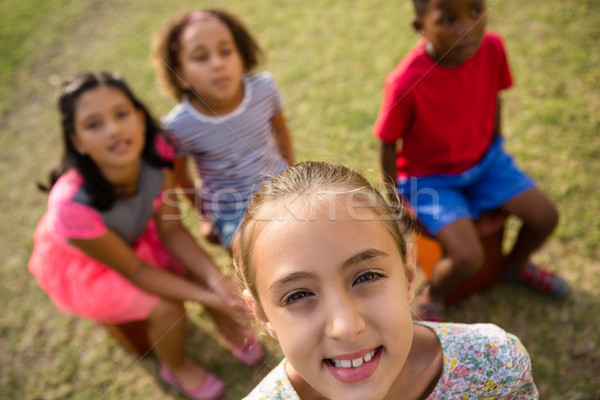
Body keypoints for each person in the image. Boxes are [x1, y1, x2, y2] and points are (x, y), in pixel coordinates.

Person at [28, 72, 264, 400]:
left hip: (142, 237)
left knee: (196, 268)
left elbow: (170, 228)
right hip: (98, 265)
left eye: (121, 114)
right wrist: (210, 295)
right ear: (77, 141)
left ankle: (226, 321)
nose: (114, 129)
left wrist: (217, 283)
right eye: (94, 124)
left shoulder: (159, 150)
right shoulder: (70, 207)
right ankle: (176, 366)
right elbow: (135, 271)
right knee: (166, 308)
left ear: (140, 118)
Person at [232, 161, 539, 400]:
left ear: (408, 273)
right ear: (261, 314)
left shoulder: (495, 365)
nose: (346, 327)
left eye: (366, 276)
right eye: (297, 295)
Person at [373, 0, 569, 321]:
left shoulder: (492, 48)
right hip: (430, 178)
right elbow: (387, 144)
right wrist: (393, 202)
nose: (467, 29)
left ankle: (514, 267)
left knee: (545, 217)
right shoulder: (405, 81)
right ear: (420, 27)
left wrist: (495, 148)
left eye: (476, 12)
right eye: (449, 19)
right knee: (466, 257)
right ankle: (433, 295)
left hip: (487, 163)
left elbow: (496, 96)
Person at [152, 8, 294, 250]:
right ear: (180, 75)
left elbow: (280, 130)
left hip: (280, 185)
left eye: (226, 51)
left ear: (242, 57)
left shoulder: (264, 89)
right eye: (200, 57)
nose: (218, 64)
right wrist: (204, 215)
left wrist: (291, 172)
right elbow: (180, 175)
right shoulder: (178, 126)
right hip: (230, 208)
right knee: (247, 250)